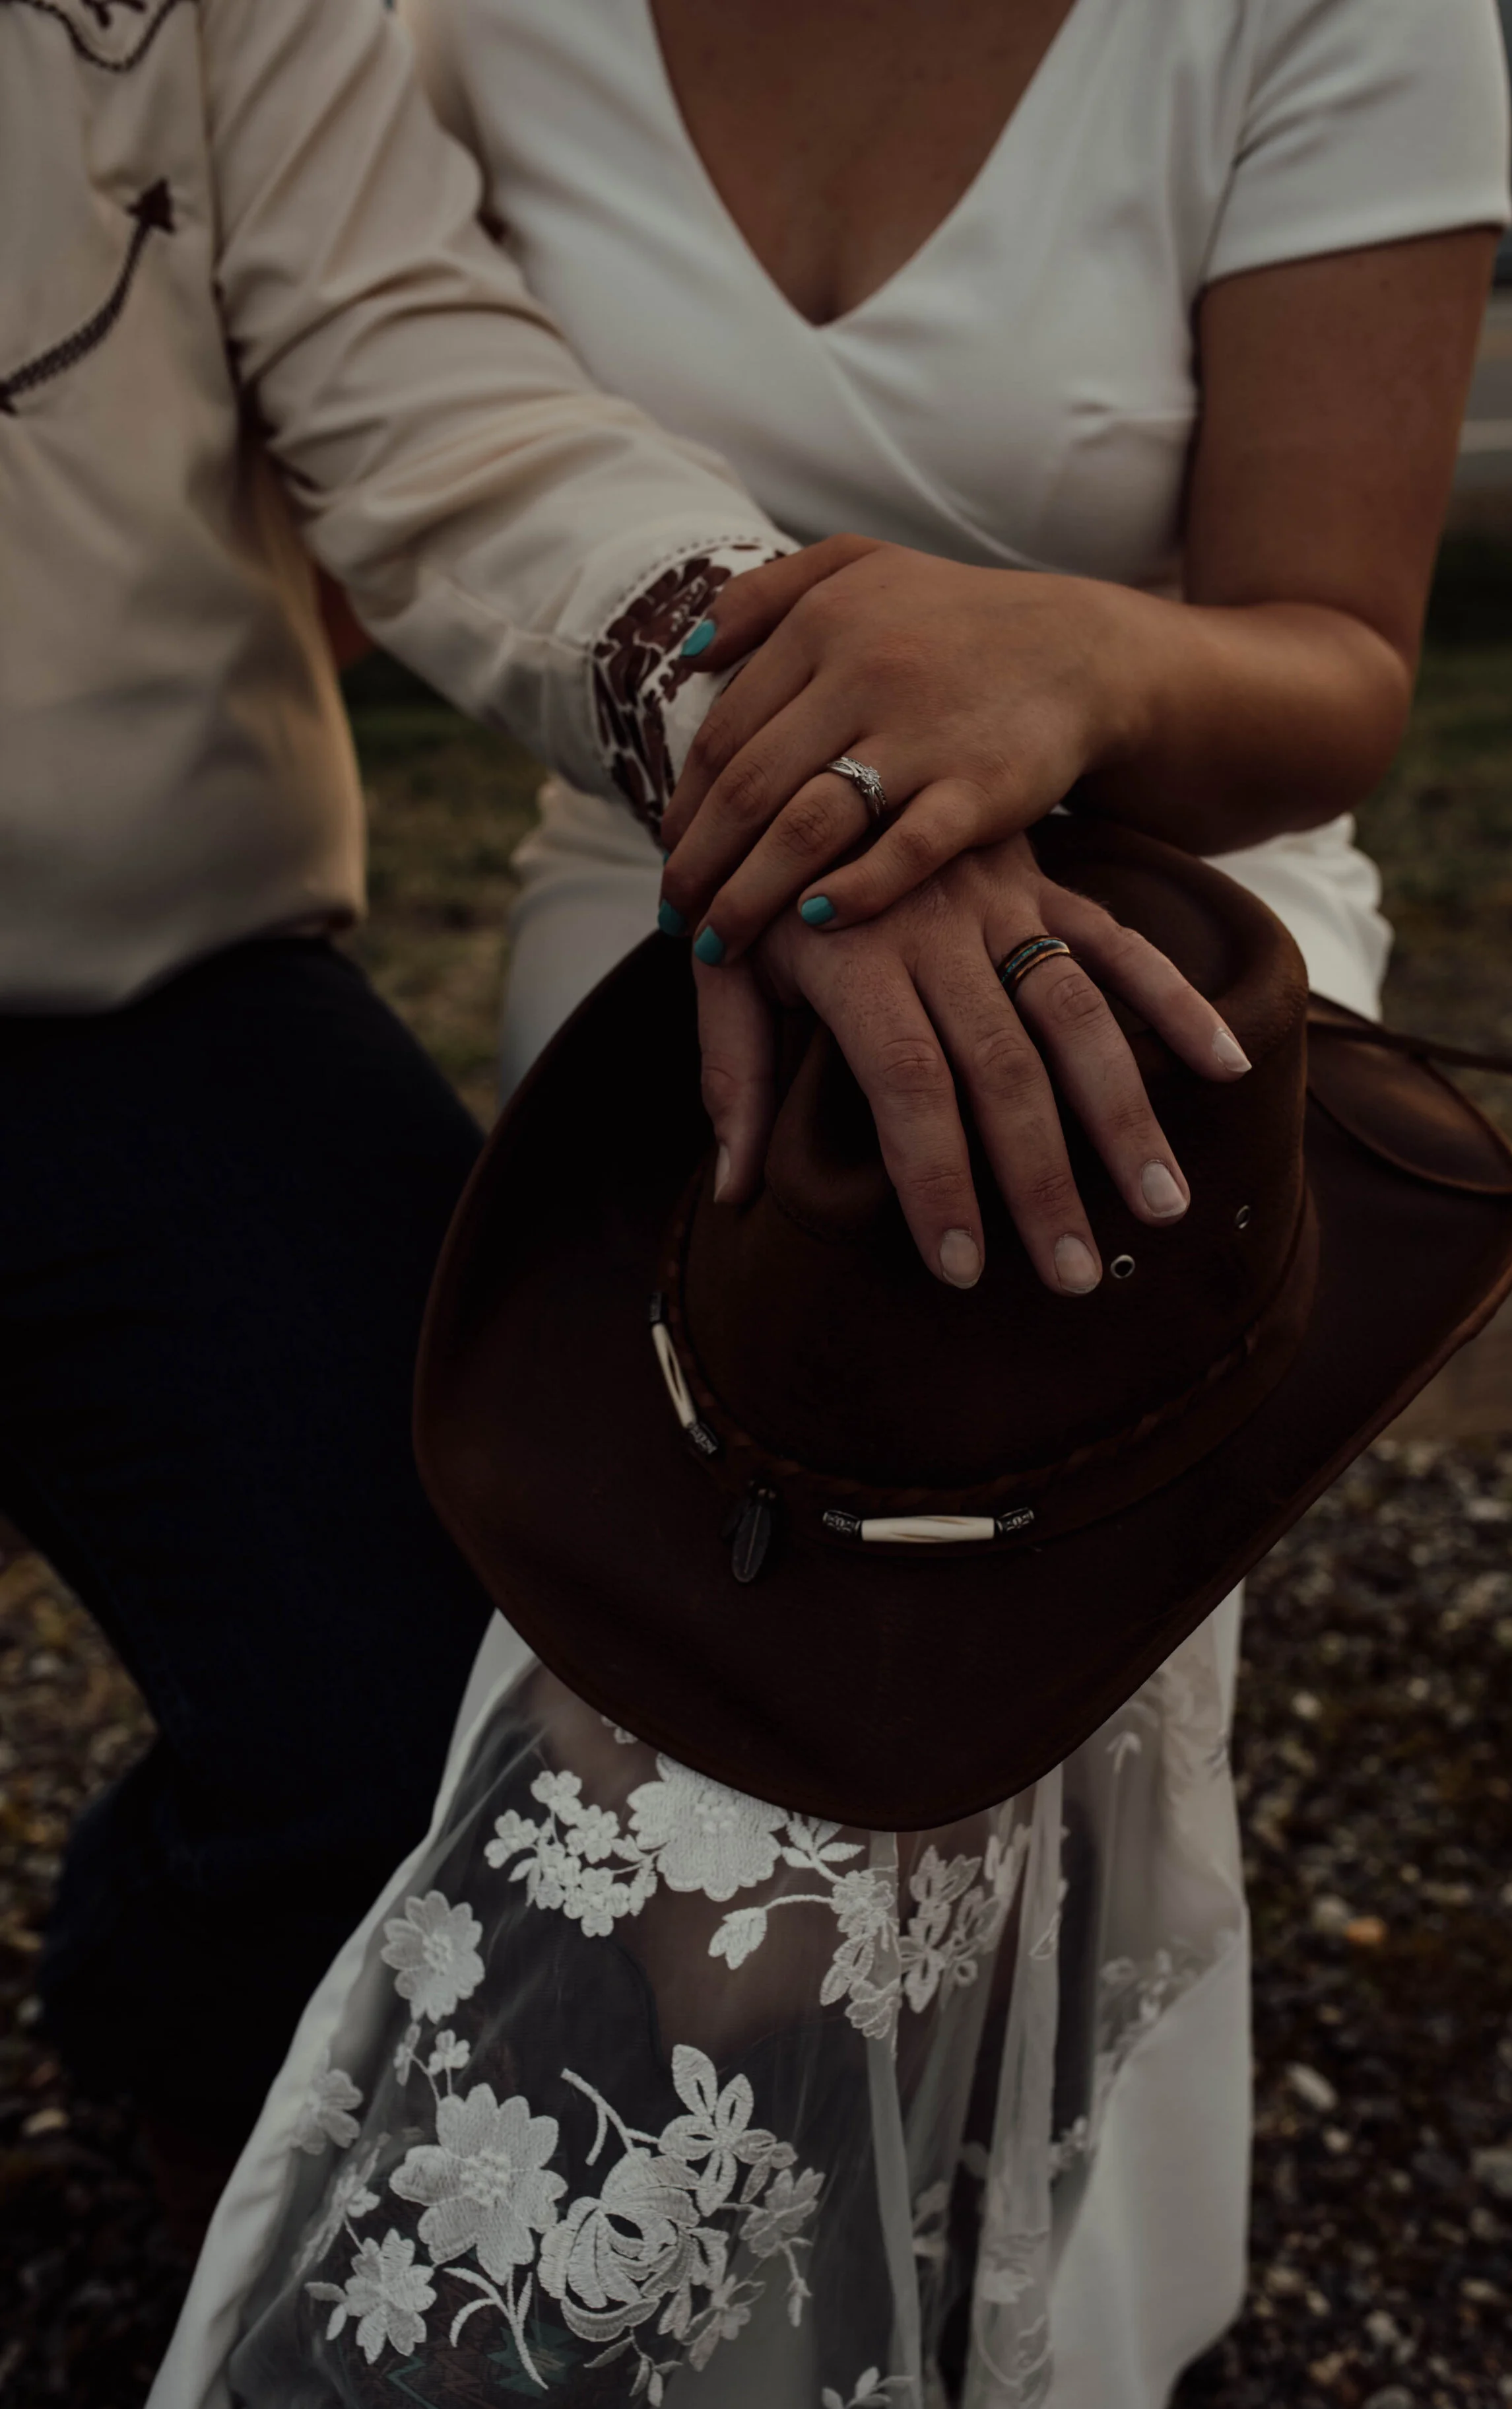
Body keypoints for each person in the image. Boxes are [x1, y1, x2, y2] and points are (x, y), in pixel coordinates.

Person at [114, 0, 1512, 2409]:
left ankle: (882, 2326)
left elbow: (1337, 663)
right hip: (673, 919)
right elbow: (394, 479)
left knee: (932, 1552)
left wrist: (1063, 657)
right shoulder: (446, 18)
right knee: (685, 1727)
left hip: (1167, 897)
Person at [2, 0, 1218, 2227]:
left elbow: (429, 396)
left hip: (117, 984)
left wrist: (773, 748)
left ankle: (179, 2029)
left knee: (492, 1685)